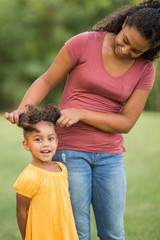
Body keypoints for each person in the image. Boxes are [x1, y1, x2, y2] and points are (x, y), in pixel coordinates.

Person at [5, 0, 160, 239]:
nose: (125, 51)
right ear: (125, 22)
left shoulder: (145, 70)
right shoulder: (83, 43)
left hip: (110, 156)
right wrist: (23, 109)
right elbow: (46, 80)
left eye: (136, 51)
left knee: (114, 232)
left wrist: (82, 113)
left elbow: (126, 123)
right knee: (77, 231)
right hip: (70, 152)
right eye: (126, 41)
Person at [12, 104, 79, 240]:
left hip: (63, 232)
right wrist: (27, 237)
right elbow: (21, 211)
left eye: (50, 138)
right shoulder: (29, 176)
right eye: (38, 139)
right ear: (26, 145)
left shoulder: (62, 168)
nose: (46, 144)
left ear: (57, 142)